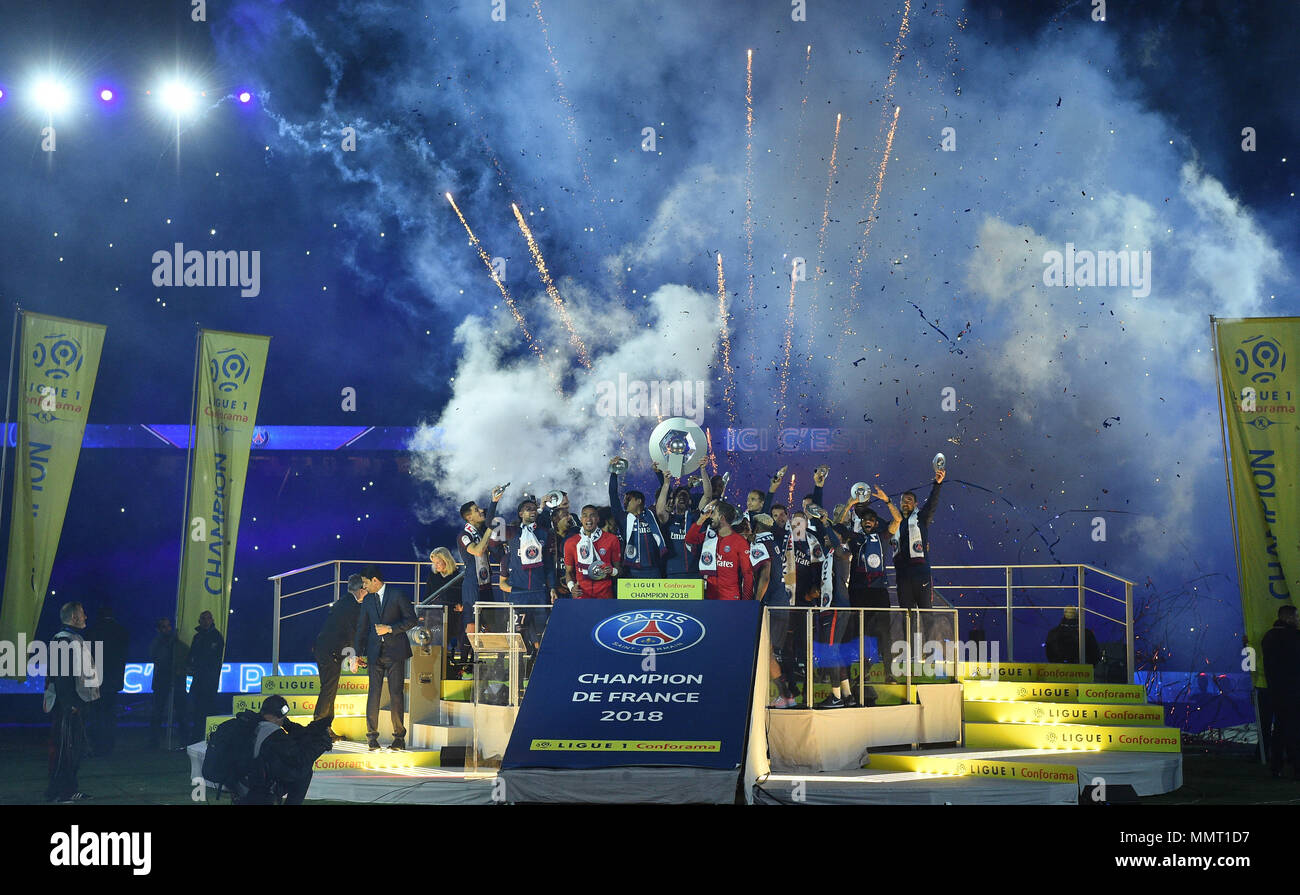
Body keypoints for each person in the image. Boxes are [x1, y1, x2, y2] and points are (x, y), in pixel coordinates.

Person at [353, 566, 417, 751]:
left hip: (395, 652)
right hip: (374, 653)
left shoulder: (397, 595)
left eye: (365, 583)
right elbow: (361, 629)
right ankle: (372, 737)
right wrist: (356, 654)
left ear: (375, 580)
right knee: (374, 694)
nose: (364, 587)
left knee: (396, 694)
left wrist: (390, 629)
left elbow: (411, 620)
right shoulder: (367, 601)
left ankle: (399, 738)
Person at [842, 487, 902, 682]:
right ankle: (863, 672)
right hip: (859, 591)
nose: (867, 521)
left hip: (878, 591)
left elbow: (898, 520)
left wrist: (887, 500)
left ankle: (888, 672)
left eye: (871, 520)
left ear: (875, 523)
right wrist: (849, 505)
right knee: (861, 633)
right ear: (861, 522)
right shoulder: (855, 538)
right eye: (864, 519)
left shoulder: (883, 537)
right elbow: (838, 525)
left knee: (884, 632)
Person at [45, 602, 100, 803]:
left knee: (74, 750)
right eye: (83, 614)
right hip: (68, 707)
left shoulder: (73, 639)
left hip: (76, 704)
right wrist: (70, 704)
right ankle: (59, 792)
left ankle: (68, 789)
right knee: (65, 751)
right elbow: (62, 678)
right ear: (74, 617)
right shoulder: (63, 640)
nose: (86, 617)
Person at [892, 466, 946, 642]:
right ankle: (909, 653)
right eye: (902, 501)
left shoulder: (921, 519)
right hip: (903, 577)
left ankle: (929, 652)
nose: (905, 503)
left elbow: (932, 504)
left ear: (915, 504)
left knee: (926, 614)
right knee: (907, 616)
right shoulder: (895, 524)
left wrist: (937, 484)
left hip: (921, 574)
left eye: (909, 500)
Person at [499, 496, 558, 655]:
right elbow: (491, 524)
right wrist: (494, 502)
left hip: (539, 593)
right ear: (520, 513)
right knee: (518, 637)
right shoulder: (512, 532)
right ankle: (517, 674)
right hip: (519, 594)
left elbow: (548, 564)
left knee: (542, 635)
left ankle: (538, 671)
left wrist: (552, 587)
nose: (532, 511)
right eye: (528, 509)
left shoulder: (543, 533)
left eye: (534, 509)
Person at [313, 574, 367, 738]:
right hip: (330, 652)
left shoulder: (345, 602)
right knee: (328, 690)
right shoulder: (351, 606)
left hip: (328, 650)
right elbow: (352, 634)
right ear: (359, 590)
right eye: (365, 589)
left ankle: (324, 727)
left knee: (329, 689)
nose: (367, 592)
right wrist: (353, 657)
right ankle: (319, 728)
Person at [457, 486, 506, 661]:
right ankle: (464, 663)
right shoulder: (464, 535)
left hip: (486, 583)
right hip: (472, 584)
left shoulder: (479, 532)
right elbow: (477, 551)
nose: (481, 511)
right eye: (477, 510)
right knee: (471, 625)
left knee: (491, 621)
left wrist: (494, 501)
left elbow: (490, 524)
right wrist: (488, 532)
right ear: (469, 517)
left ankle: (492, 662)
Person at [609, 459, 670, 579]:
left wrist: (659, 474)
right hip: (632, 571)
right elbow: (613, 495)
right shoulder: (623, 518)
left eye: (628, 499)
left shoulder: (653, 514)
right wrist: (614, 473)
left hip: (655, 570)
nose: (625, 502)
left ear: (639, 501)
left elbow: (665, 495)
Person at [684, 500, 754, 600]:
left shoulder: (740, 542)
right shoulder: (710, 536)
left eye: (714, 514)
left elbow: (747, 574)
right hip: (710, 596)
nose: (711, 516)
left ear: (722, 518)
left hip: (730, 597)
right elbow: (689, 539)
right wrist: (702, 518)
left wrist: (747, 601)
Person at [1262, 605, 1300, 778]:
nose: (1298, 620)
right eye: (1296, 617)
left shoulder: (1269, 636)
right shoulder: (1293, 637)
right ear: (1289, 618)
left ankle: (1276, 766)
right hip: (1293, 690)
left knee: (1279, 728)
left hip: (1275, 690)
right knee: (1293, 729)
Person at [87, 605, 128, 757]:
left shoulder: (94, 630)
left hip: (96, 679)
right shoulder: (121, 631)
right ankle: (109, 745)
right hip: (113, 680)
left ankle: (97, 744)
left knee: (96, 714)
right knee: (110, 714)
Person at [564, 505, 622, 598]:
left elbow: (619, 570)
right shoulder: (571, 542)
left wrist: (612, 571)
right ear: (580, 519)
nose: (588, 519)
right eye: (585, 515)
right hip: (581, 595)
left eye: (592, 515)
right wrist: (571, 588)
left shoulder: (612, 539)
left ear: (598, 519)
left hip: (604, 594)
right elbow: (569, 572)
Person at [149, 617, 189, 749]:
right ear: (159, 629)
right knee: (157, 713)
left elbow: (186, 658)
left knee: (181, 713)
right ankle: (154, 742)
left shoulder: (178, 645)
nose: (167, 629)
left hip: (177, 682)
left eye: (168, 626)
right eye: (164, 627)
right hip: (161, 682)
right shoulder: (158, 643)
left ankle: (184, 740)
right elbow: (157, 657)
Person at [188, 610, 225, 745]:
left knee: (208, 709)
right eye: (203, 619)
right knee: (198, 709)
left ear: (212, 620)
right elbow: (192, 655)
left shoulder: (216, 637)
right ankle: (198, 737)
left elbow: (213, 658)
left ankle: (210, 737)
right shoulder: (197, 637)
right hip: (199, 679)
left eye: (207, 618)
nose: (205, 621)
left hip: (209, 680)